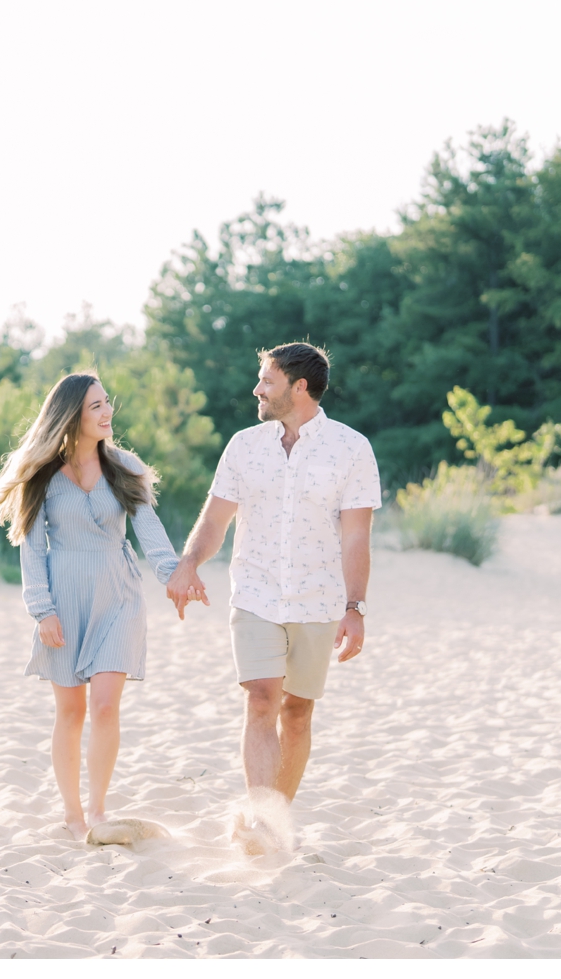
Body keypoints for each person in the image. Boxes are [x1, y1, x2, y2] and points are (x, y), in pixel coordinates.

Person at [164, 343, 380, 850]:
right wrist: (190, 561)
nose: (257, 389)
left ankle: (274, 819)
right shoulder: (244, 446)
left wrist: (355, 608)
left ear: (298, 387)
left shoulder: (352, 449)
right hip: (257, 594)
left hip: (319, 599)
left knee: (297, 712)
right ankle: (263, 826)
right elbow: (216, 518)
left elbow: (355, 537)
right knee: (261, 699)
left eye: (267, 381)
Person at [0, 372, 180, 839]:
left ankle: (98, 811)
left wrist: (175, 577)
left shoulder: (124, 465)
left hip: (119, 593)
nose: (107, 412)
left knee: (106, 706)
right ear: (71, 413)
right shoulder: (43, 474)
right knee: (71, 712)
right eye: (95, 406)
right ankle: (72, 814)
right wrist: (41, 610)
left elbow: (149, 531)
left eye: (107, 402)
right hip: (64, 596)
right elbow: (30, 546)